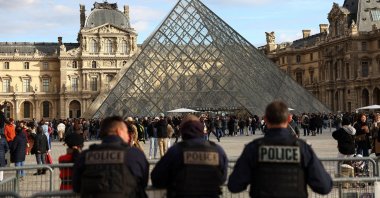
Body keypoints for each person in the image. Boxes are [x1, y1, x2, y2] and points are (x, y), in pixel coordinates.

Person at [227, 101, 332, 197]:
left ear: (265, 119)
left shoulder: (253, 148)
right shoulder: (302, 148)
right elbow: (324, 186)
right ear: (288, 119)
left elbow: (234, 186)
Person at [151, 115, 228, 197]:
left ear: (183, 130)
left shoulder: (175, 151)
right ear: (201, 129)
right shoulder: (217, 150)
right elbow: (222, 178)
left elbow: (157, 178)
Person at [73, 116, 149, 197]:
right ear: (119, 131)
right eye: (126, 132)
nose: (128, 136)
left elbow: (76, 187)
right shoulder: (135, 154)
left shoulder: (84, 156)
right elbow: (143, 183)